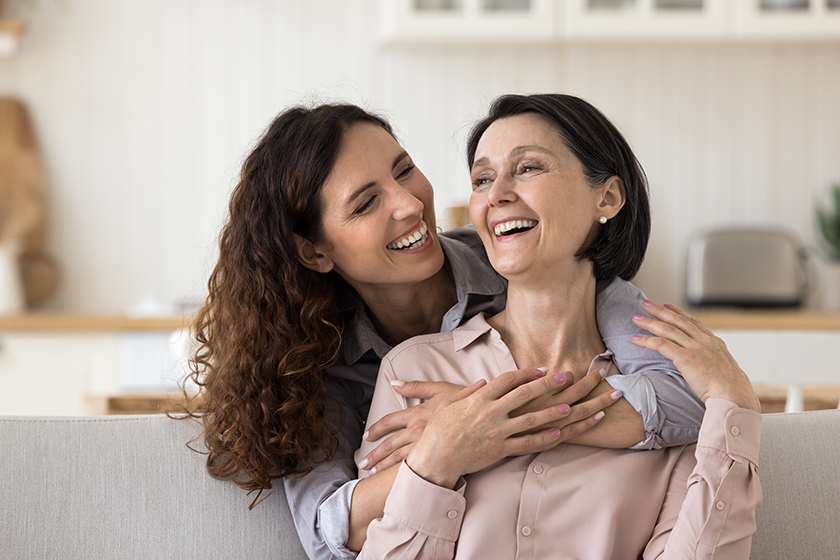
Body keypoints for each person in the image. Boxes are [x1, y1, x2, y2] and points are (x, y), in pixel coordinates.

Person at [183, 103, 705, 560]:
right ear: (315, 252)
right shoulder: (315, 363)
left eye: (404, 171)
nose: (410, 205)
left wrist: (491, 416)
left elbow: (689, 399)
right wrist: (448, 446)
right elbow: (330, 530)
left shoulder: (526, 258)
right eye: (366, 204)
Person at [354, 93, 762, 559]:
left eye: (527, 168)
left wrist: (735, 404)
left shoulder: (677, 392)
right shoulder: (415, 371)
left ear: (606, 197)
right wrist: (438, 457)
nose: (497, 194)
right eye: (482, 178)